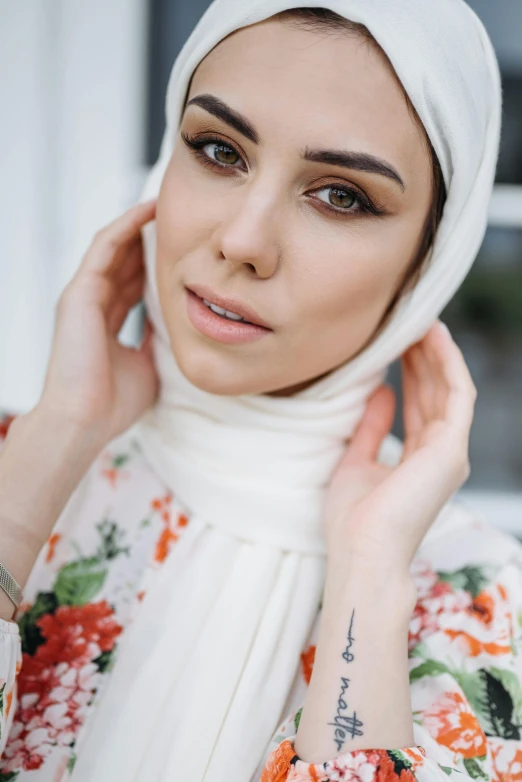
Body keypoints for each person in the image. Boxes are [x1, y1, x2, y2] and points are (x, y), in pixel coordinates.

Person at [0, 1, 520, 781]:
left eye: (341, 195)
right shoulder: (25, 467)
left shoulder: (486, 603)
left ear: (426, 266)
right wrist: (50, 448)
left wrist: (369, 577)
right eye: (216, 149)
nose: (242, 241)